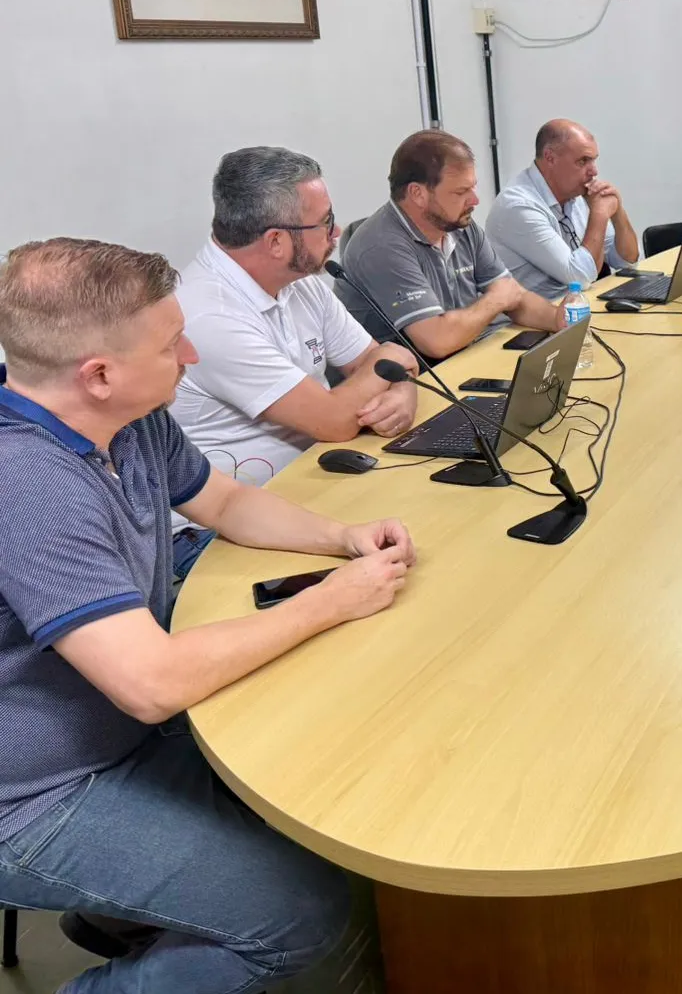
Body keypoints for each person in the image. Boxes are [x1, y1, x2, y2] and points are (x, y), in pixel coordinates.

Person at [0, 238, 415, 992]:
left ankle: (125, 914)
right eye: (170, 343)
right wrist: (329, 602)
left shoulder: (128, 418)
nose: (189, 354)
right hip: (34, 797)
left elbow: (223, 501)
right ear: (98, 375)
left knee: (322, 783)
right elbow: (152, 683)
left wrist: (339, 538)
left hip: (121, 733)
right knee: (303, 914)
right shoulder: (28, 485)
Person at [170, 147, 419, 580]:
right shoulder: (209, 315)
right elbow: (335, 421)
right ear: (276, 241)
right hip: (218, 529)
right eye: (324, 222)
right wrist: (391, 364)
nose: (336, 231)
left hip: (311, 484)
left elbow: (373, 359)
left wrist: (403, 388)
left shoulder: (303, 281)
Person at [336, 130, 564, 361]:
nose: (475, 200)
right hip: (411, 380)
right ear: (418, 193)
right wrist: (496, 301)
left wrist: (561, 319)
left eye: (472, 188)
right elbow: (437, 341)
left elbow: (514, 295)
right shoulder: (382, 247)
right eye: (461, 191)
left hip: (463, 357)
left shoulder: (460, 225)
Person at [485, 118, 641, 299]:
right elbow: (579, 278)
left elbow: (627, 261)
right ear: (550, 158)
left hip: (570, 309)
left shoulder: (575, 193)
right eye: (583, 161)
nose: (594, 171)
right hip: (525, 324)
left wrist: (618, 212)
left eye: (593, 160)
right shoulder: (518, 206)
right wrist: (599, 214)